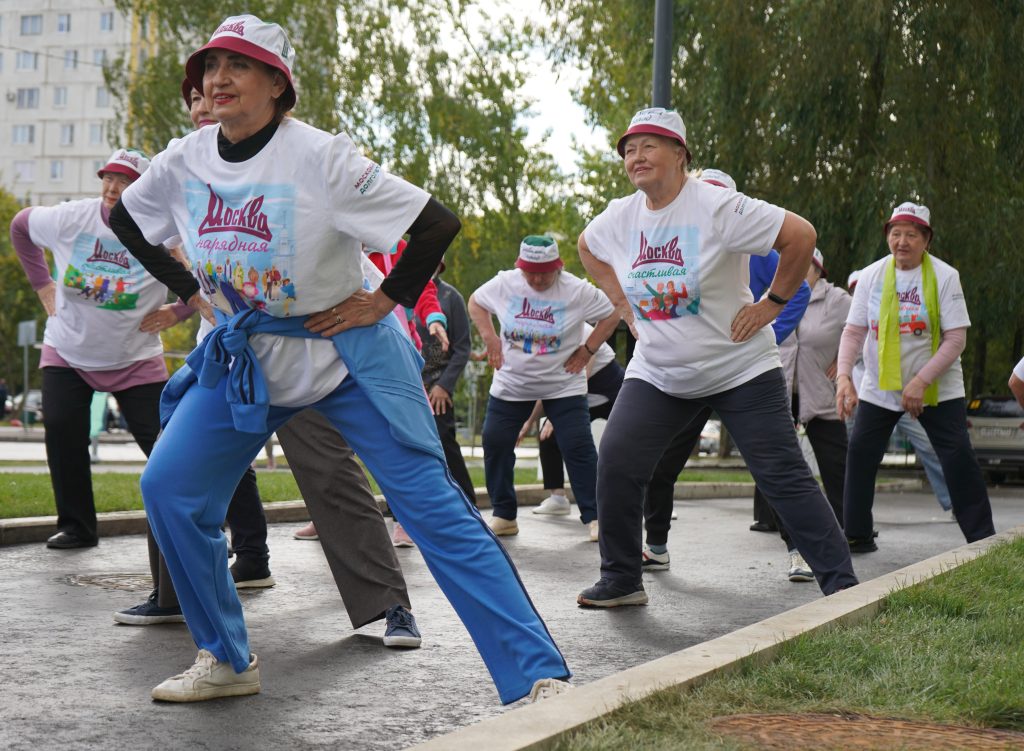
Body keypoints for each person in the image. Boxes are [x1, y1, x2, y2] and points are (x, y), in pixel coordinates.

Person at [110, 15, 569, 704]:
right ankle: (227, 658)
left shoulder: (322, 158)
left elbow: (435, 223)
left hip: (346, 354)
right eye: (210, 67)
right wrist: (189, 291)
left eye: (239, 65)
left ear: (277, 83)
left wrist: (386, 300)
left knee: (434, 507)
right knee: (169, 488)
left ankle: (537, 675)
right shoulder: (183, 160)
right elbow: (124, 220)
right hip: (247, 359)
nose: (218, 78)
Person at [576, 107, 858, 606]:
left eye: (649, 146)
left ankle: (842, 585)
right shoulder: (620, 217)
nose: (636, 156)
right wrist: (621, 304)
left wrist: (771, 304)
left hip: (740, 370)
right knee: (617, 461)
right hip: (660, 372)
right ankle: (621, 579)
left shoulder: (715, 206)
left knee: (782, 475)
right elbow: (586, 246)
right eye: (629, 149)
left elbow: (801, 236)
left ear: (681, 155)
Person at [10, 148, 192, 550]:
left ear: (142, 189)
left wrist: (179, 312)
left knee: (166, 444)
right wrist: (43, 284)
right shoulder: (71, 217)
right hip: (68, 350)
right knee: (61, 430)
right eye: (108, 177)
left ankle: (195, 529)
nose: (113, 188)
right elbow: (21, 226)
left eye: (125, 181)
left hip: (136, 356)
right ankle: (77, 527)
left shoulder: (161, 230)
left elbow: (198, 275)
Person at [639, 168, 813, 578]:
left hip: (743, 371)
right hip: (692, 371)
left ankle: (801, 550)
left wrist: (764, 321)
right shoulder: (678, 239)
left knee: (774, 465)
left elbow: (799, 290)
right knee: (663, 462)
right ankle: (657, 545)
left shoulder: (751, 244)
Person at [836, 202, 995, 551]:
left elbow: (956, 339)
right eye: (895, 234)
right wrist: (844, 377)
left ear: (926, 240)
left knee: (956, 455)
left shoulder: (944, 276)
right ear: (887, 238)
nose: (902, 242)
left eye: (911, 235)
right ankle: (857, 534)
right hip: (881, 386)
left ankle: (982, 539)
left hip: (938, 386)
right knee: (861, 452)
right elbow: (853, 331)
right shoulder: (871, 277)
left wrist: (921, 381)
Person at [469, 235, 620, 540]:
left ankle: (595, 517)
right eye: (530, 272)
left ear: (558, 267)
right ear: (519, 267)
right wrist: (490, 338)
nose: (537, 279)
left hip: (563, 383)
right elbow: (476, 302)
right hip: (513, 382)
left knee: (577, 445)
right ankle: (504, 514)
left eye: (544, 272)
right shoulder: (505, 284)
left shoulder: (575, 289)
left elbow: (613, 312)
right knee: (495, 442)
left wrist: (588, 350)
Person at [846, 269, 953, 515]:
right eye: (853, 290)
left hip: (897, 397)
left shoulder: (891, 315)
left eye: (859, 289)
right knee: (857, 454)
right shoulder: (850, 324)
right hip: (861, 399)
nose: (856, 294)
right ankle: (853, 513)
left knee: (927, 445)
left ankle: (952, 501)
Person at [524, 325, 624, 516]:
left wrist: (556, 418)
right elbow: (547, 389)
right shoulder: (544, 343)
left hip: (613, 392)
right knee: (548, 435)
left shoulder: (583, 331)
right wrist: (528, 422)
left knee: (633, 443)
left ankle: (653, 502)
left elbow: (581, 377)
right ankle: (558, 498)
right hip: (583, 398)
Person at [417, 258, 476, 504]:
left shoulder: (451, 297)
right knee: (405, 444)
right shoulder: (401, 292)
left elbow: (463, 348)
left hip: (437, 387)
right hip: (409, 382)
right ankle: (400, 510)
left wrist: (444, 386)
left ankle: (467, 502)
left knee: (443, 442)